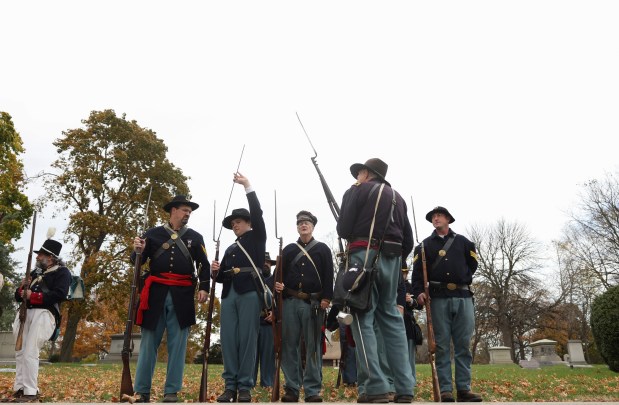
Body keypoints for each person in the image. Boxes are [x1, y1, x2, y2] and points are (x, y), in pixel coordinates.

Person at [336, 158, 414, 404]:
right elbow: (408, 240)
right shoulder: (398, 197)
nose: (357, 176)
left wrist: (353, 191)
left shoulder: (358, 190)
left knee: (361, 317)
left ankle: (377, 386)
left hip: (363, 256)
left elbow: (343, 228)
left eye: (359, 172)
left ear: (366, 173)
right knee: (391, 318)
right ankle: (404, 387)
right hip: (392, 259)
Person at [131, 195, 210, 403]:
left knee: (179, 345)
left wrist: (204, 288)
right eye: (185, 210)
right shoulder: (152, 234)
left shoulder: (196, 237)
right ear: (173, 210)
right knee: (148, 343)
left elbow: (204, 265)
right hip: (155, 293)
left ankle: (171, 391)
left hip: (182, 295)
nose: (187, 214)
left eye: (189, 211)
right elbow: (137, 262)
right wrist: (136, 250)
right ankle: (142, 391)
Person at [411, 206, 481, 402]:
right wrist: (418, 293)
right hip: (438, 298)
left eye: (439, 215)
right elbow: (417, 276)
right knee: (440, 346)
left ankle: (464, 389)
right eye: (433, 217)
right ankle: (445, 390)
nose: (436, 218)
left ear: (448, 219)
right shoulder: (423, 247)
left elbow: (472, 265)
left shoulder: (465, 243)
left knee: (463, 345)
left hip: (463, 296)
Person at [212, 172, 267, 403]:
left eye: (239, 222)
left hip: (249, 293)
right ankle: (230, 386)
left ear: (249, 224)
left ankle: (245, 386)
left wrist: (247, 186)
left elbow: (257, 212)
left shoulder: (256, 238)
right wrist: (214, 272)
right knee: (228, 341)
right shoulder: (230, 249)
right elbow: (223, 276)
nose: (235, 225)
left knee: (247, 339)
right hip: (229, 295)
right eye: (233, 223)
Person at [273, 210, 333, 403]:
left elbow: (328, 275)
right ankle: (291, 387)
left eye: (306, 223)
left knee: (313, 346)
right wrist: (278, 286)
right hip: (290, 301)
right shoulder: (289, 249)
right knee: (289, 345)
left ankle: (312, 389)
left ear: (313, 226)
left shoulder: (322, 249)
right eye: (300, 223)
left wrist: (326, 298)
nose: (303, 225)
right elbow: (277, 275)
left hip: (313, 302)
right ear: (297, 227)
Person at [9, 236, 71, 403]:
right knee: (20, 352)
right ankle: (20, 388)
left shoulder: (62, 272)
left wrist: (33, 296)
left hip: (44, 314)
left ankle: (30, 391)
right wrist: (22, 289)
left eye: (40, 254)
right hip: (25, 313)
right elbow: (18, 296)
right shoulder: (35, 272)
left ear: (50, 257)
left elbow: (59, 295)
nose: (37, 257)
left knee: (30, 352)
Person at [254, 252, 276, 389]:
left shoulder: (276, 281)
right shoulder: (253, 279)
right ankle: (248, 382)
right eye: (264, 262)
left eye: (268, 262)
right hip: (253, 322)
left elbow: (281, 300)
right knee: (251, 356)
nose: (266, 264)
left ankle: (267, 383)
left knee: (268, 356)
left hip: (269, 323)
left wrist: (275, 313)